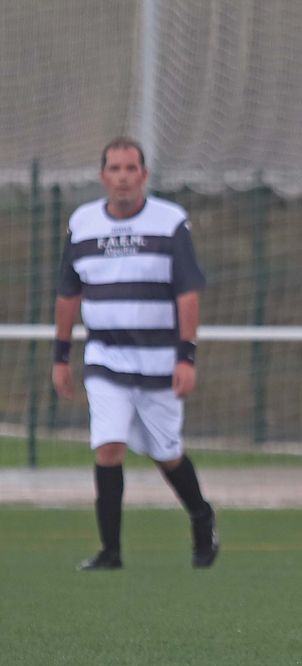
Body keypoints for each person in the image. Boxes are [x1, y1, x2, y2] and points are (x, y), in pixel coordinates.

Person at [51, 137, 220, 572]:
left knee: (167, 452)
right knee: (109, 446)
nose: (123, 177)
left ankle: (201, 516)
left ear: (144, 175)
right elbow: (68, 293)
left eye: (131, 169)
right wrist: (61, 356)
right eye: (115, 169)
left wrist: (186, 357)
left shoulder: (170, 221)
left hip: (160, 360)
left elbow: (187, 294)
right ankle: (110, 551)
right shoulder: (83, 222)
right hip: (106, 357)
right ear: (102, 176)